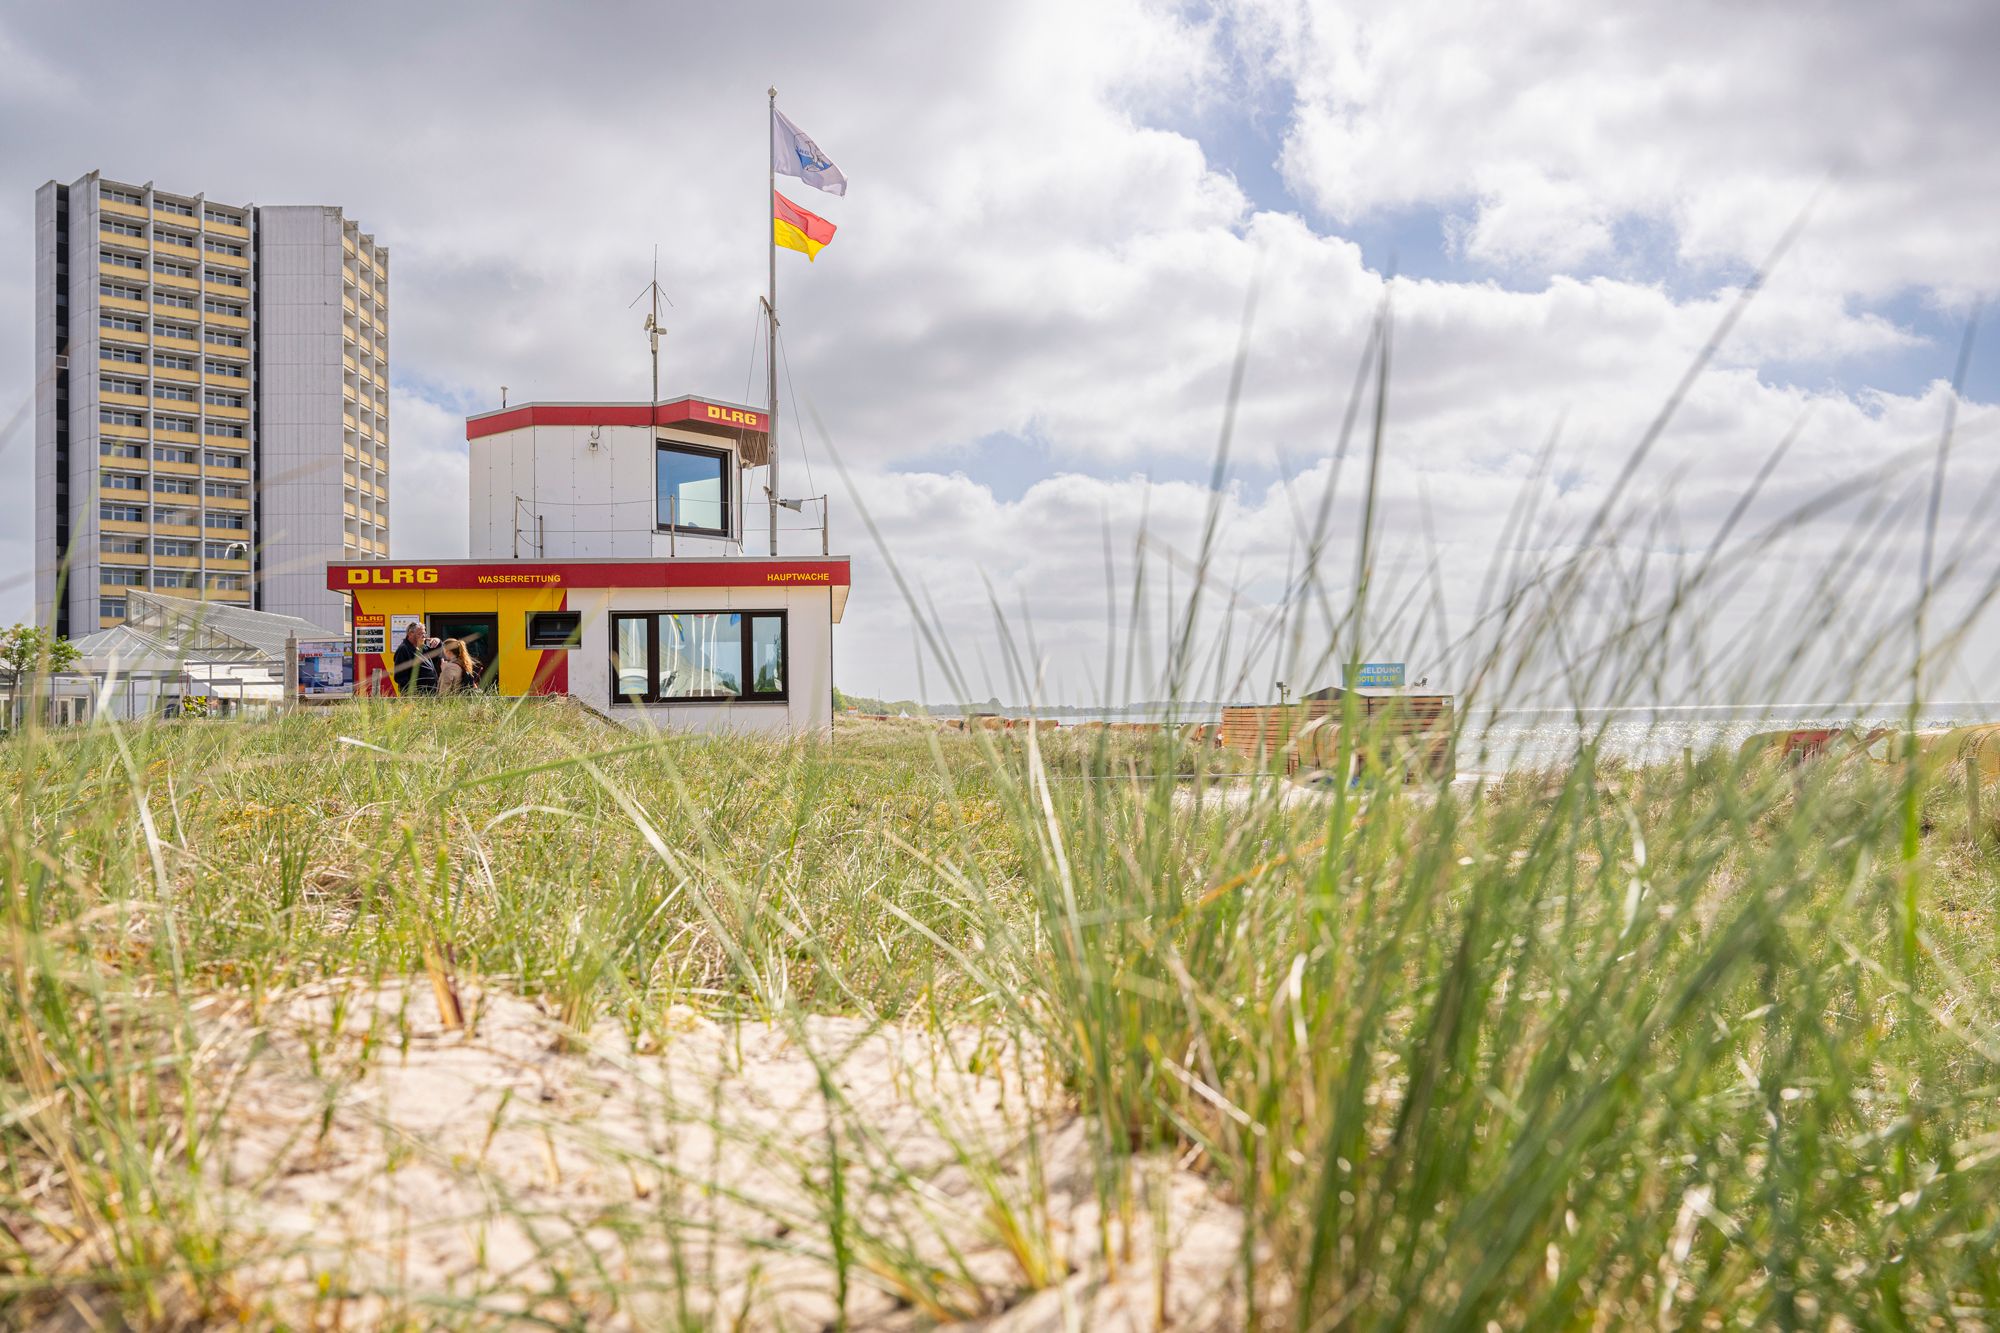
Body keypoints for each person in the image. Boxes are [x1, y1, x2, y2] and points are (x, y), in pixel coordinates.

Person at [393, 621, 438, 697]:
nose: (423, 636)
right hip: (416, 696)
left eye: (424, 633)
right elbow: (399, 676)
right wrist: (413, 693)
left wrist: (438, 641)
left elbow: (437, 656)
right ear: (410, 634)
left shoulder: (422, 647)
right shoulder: (404, 649)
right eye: (420, 633)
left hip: (429, 694)